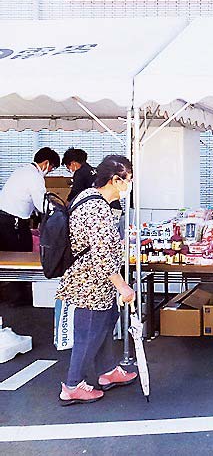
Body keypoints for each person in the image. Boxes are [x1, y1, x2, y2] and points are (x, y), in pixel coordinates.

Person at [56, 155, 137, 406]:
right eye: (128, 180)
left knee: (104, 325)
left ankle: (107, 370)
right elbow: (100, 254)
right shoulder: (97, 208)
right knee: (89, 333)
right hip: (88, 283)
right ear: (115, 180)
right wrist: (122, 285)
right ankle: (72, 385)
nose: (129, 186)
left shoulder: (90, 198)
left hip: (96, 282)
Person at [0, 147, 60, 252]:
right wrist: (58, 210)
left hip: (4, 218)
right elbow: (41, 204)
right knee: (22, 252)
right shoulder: (35, 176)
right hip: (14, 221)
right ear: (46, 163)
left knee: (8, 253)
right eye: (52, 167)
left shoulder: (22, 170)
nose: (50, 170)